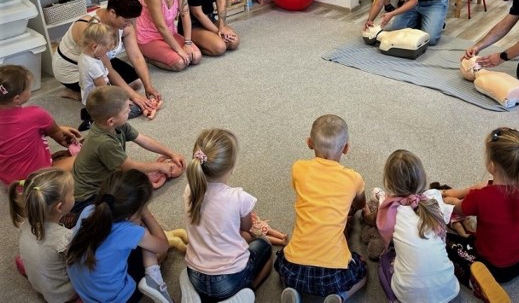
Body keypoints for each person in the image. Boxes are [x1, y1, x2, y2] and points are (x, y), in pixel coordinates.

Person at [441, 128, 519, 302]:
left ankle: (476, 283)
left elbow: (459, 210)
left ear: (492, 164)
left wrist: (450, 202)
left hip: (493, 266)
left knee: (445, 243)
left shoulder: (481, 197)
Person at [276, 114, 367, 303]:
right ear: (346, 148)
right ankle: (339, 296)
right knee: (363, 272)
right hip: (333, 273)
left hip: (295, 267)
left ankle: (292, 288)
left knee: (283, 267)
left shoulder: (298, 168)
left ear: (309, 143)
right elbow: (359, 205)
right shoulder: (353, 178)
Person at [183, 129, 272, 301]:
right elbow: (246, 228)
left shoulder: (189, 190)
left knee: (238, 237)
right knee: (265, 245)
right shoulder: (239, 197)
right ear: (232, 166)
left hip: (194, 275)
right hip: (228, 281)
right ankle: (245, 291)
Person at [70, 86, 184, 216]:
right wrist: (161, 166)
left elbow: (142, 139)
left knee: (139, 180)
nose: (130, 110)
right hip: (87, 197)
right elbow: (129, 166)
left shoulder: (116, 125)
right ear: (111, 121)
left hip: (107, 178)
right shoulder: (104, 142)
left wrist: (170, 153)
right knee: (130, 203)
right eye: (126, 110)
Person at [66, 169, 172, 303]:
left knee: (132, 242)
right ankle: (154, 278)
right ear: (131, 213)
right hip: (118, 298)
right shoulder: (130, 231)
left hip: (86, 293)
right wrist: (145, 214)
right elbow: (163, 246)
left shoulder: (88, 211)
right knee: (148, 240)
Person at [52, 0, 160, 113]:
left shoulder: (126, 26)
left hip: (100, 60)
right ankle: (76, 94)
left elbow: (136, 56)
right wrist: (133, 96)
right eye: (126, 20)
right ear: (113, 13)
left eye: (131, 20)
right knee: (109, 97)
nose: (130, 24)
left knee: (136, 83)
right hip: (72, 69)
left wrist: (148, 86)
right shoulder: (88, 28)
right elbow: (107, 68)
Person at [374, 149, 459, 303]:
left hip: (409, 295)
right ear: (423, 178)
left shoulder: (391, 210)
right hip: (448, 288)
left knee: (383, 263)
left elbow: (384, 229)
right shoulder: (433, 200)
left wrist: (379, 195)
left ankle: (394, 298)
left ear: (389, 184)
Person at [0, 65, 81, 185]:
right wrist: (59, 133)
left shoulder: (31, 118)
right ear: (17, 99)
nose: (30, 90)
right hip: (37, 180)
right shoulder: (35, 114)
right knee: (85, 158)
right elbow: (58, 135)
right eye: (28, 88)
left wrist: (59, 129)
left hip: (10, 181)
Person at [8, 168, 77, 302]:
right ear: (59, 207)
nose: (75, 195)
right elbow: (82, 263)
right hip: (62, 296)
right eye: (73, 193)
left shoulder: (26, 224)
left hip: (39, 285)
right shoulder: (65, 238)